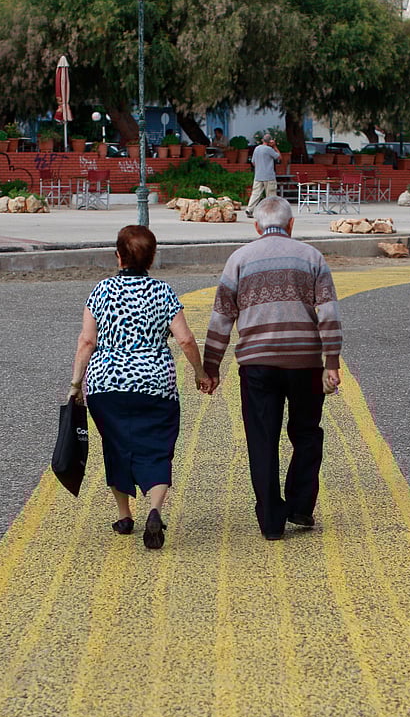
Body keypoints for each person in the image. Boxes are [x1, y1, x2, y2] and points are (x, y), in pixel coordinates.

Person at [201, 196, 343, 540]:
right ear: (291, 224)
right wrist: (332, 362)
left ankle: (271, 522)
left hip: (257, 365)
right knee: (307, 432)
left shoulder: (239, 259)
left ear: (257, 227)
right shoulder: (313, 257)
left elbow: (222, 316)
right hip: (305, 363)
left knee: (262, 440)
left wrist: (211, 366)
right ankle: (299, 506)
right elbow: (328, 313)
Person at [70, 225, 209, 550]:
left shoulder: (101, 291)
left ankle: (124, 515)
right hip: (155, 384)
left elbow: (87, 340)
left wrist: (76, 384)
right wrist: (199, 372)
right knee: (157, 446)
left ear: (118, 256)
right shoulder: (162, 292)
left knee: (116, 445)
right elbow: (186, 339)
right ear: (152, 258)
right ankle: (155, 510)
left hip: (107, 386)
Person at [244, 134, 281, 218]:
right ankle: (271, 212)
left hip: (258, 175)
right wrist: (275, 147)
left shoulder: (256, 149)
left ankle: (249, 209)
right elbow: (279, 157)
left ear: (262, 140)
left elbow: (253, 162)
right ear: (270, 141)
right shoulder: (269, 149)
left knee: (255, 193)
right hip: (269, 176)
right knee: (271, 195)